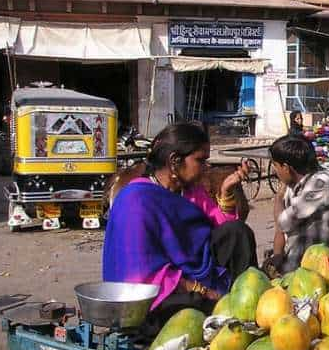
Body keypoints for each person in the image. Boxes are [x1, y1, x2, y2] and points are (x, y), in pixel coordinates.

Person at [102, 123, 257, 326]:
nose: (205, 167)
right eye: (200, 160)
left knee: (238, 233)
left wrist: (226, 191)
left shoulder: (190, 191)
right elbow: (145, 274)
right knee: (200, 308)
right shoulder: (136, 201)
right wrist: (203, 290)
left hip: (193, 272)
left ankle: (250, 300)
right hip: (157, 292)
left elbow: (219, 230)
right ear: (175, 161)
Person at [270, 135, 329, 273]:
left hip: (320, 268)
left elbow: (283, 222)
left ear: (286, 168)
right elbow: (280, 230)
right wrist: (277, 256)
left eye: (275, 165)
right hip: (296, 262)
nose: (275, 171)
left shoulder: (322, 183)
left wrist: (279, 197)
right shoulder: (292, 185)